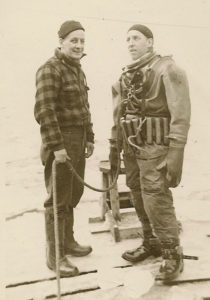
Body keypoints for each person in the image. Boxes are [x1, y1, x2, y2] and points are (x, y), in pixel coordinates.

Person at [109, 24, 191, 281]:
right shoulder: (125, 75)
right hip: (132, 146)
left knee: (156, 197)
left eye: (136, 38)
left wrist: (176, 153)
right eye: (127, 39)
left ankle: (171, 253)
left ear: (150, 41)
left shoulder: (168, 69)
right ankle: (152, 241)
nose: (131, 43)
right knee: (136, 190)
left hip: (156, 146)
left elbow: (181, 114)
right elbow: (118, 112)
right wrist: (114, 144)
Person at [34, 20, 94, 277]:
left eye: (82, 41)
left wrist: (89, 137)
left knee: (73, 194)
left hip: (78, 140)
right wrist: (57, 147)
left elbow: (84, 108)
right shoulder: (50, 69)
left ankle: (68, 241)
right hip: (61, 142)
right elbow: (44, 111)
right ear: (61, 42)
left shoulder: (77, 69)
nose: (78, 45)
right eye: (73, 41)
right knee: (57, 200)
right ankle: (55, 256)